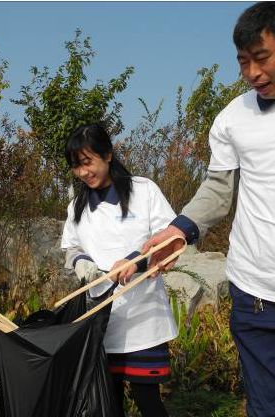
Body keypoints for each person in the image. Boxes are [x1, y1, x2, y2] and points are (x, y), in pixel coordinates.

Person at [142, 2, 275, 416]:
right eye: (244, 62)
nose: (253, 73)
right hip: (254, 291)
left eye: (263, 58)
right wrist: (179, 229)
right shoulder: (233, 118)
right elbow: (218, 191)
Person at [61, 123, 177, 417]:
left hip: (143, 318)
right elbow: (71, 247)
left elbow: (171, 239)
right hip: (101, 318)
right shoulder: (77, 206)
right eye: (77, 166)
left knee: (147, 400)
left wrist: (135, 261)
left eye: (88, 162)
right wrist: (80, 261)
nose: (83, 173)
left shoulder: (144, 190)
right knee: (107, 402)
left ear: (108, 155)